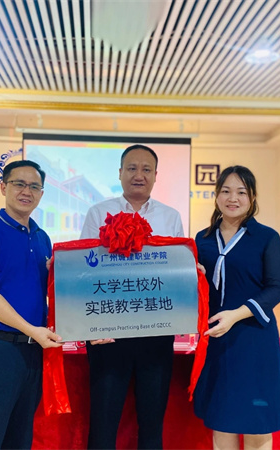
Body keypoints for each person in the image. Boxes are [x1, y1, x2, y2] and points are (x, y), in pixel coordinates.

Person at [80, 144, 184, 449]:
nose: (139, 175)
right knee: (103, 421)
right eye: (132, 168)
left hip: (156, 333)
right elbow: (84, 271)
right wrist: (87, 327)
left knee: (152, 423)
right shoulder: (98, 213)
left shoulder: (171, 217)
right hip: (108, 334)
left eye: (146, 169)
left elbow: (177, 271)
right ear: (120, 173)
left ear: (155, 175)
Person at [0, 160, 62, 449]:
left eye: (34, 187)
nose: (26, 192)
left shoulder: (42, 238)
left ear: (41, 194)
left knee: (20, 437)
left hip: (33, 351)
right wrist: (31, 330)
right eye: (19, 184)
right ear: (3, 187)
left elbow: (49, 292)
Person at [193, 165, 280, 450]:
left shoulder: (267, 237)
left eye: (241, 192)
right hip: (217, 339)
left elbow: (276, 288)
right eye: (225, 191)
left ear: (252, 197)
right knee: (223, 418)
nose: (232, 198)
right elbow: (200, 289)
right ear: (216, 195)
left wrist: (235, 315)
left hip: (254, 337)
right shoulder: (202, 239)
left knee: (258, 422)